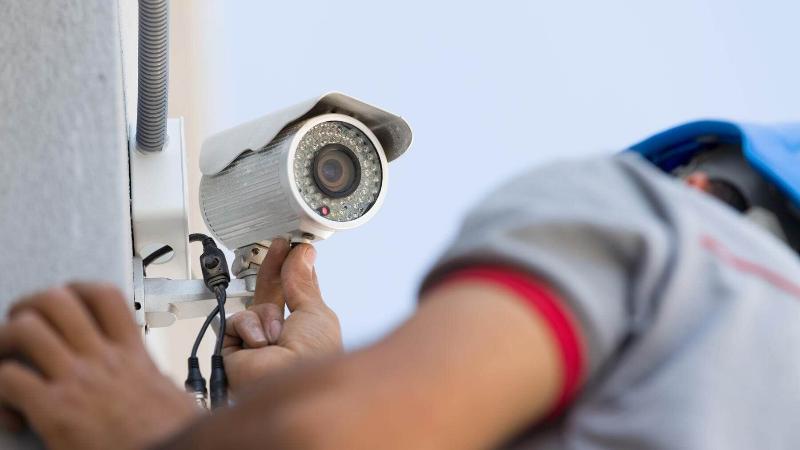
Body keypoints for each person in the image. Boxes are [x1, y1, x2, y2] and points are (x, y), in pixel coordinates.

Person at [0, 119, 799, 450]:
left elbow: (334, 435)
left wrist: (151, 427)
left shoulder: (660, 231)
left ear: (697, 183)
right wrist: (316, 378)